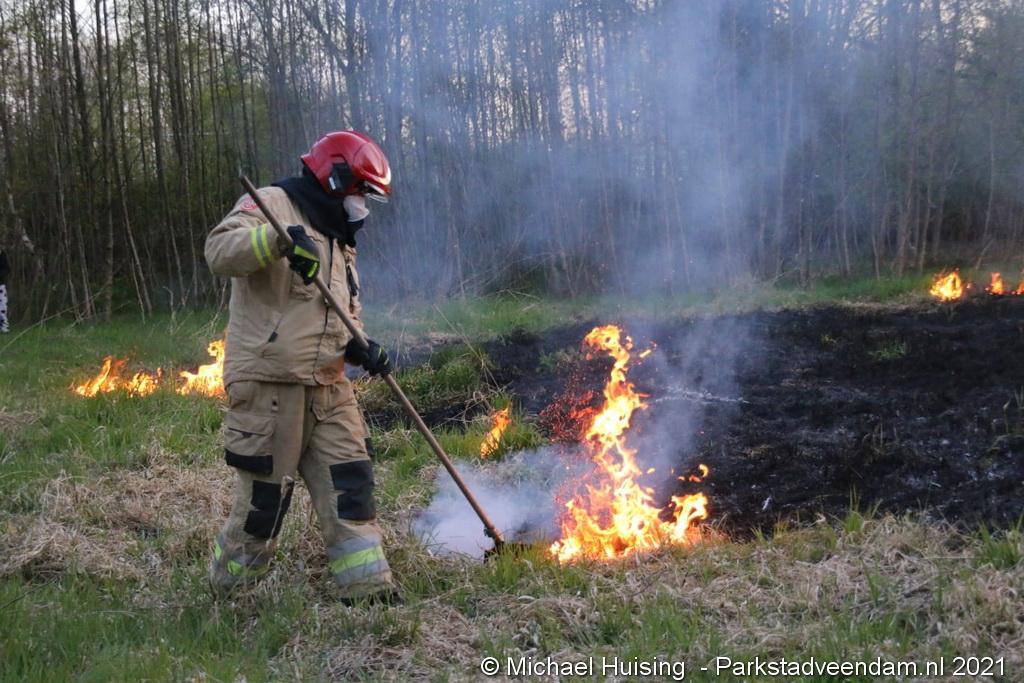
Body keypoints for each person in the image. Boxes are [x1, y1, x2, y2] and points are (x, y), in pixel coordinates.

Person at [204, 130, 396, 602]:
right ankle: (230, 594)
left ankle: (369, 592)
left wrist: (359, 346)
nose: (362, 204)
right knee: (263, 505)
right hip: (271, 385)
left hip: (329, 386)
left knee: (351, 488)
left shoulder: (339, 233)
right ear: (335, 177)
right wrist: (276, 241)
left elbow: (339, 309)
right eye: (360, 191)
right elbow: (219, 252)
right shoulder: (272, 204)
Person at [0, 249, 9, 334]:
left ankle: (4, 327)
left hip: (0, 286)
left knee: (2, 307)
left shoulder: (1, 253)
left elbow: (6, 269)